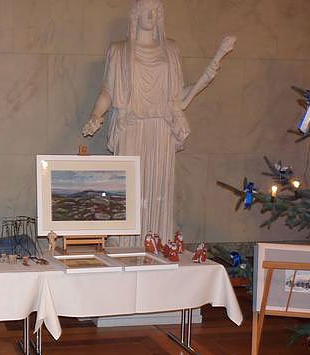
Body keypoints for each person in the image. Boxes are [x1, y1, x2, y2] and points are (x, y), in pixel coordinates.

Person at [83, 0, 235, 241]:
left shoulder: (171, 50)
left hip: (161, 127)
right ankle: (125, 241)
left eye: (156, 10)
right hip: (131, 126)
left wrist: (204, 78)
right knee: (129, 186)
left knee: (158, 186)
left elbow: (177, 95)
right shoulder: (119, 50)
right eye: (146, 10)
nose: (151, 15)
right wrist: (95, 115)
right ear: (136, 14)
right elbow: (109, 91)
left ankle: (155, 239)